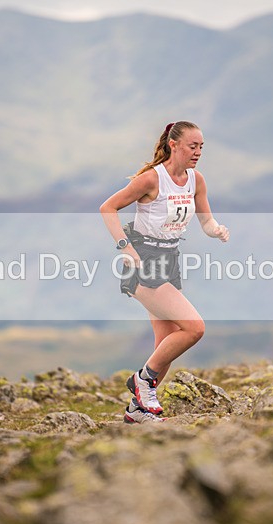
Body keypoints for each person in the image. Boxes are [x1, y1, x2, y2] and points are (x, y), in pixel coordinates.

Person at [99, 121, 229, 424]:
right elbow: (108, 208)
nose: (198, 152)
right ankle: (142, 380)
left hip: (169, 261)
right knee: (194, 328)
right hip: (144, 261)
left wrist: (216, 230)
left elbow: (206, 221)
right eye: (192, 146)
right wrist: (124, 247)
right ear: (173, 145)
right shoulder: (151, 179)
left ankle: (137, 411)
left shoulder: (196, 180)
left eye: (201, 147)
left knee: (167, 341)